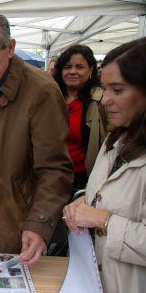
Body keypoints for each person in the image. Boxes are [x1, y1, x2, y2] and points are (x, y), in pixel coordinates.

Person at [0, 13, 73, 265]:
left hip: (13, 215)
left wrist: (39, 223)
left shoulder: (42, 91)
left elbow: (55, 170)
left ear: (10, 49)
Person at [63, 37, 146, 293]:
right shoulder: (116, 138)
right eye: (106, 89)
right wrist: (80, 202)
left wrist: (102, 220)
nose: (105, 100)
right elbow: (102, 194)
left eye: (118, 90)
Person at [54, 45, 107, 191]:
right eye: (67, 67)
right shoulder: (50, 97)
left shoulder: (102, 101)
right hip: (49, 175)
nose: (72, 71)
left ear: (90, 70)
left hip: (82, 180)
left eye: (79, 67)